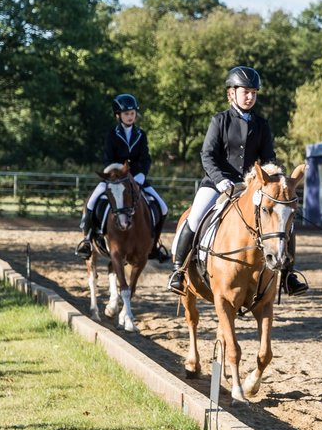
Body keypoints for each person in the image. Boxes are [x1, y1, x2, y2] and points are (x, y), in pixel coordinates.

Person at [167, 66, 309, 295]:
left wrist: (274, 178)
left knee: (283, 222)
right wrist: (220, 179)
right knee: (194, 218)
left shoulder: (262, 124)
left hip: (251, 187)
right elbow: (207, 155)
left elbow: (268, 158)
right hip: (217, 184)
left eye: (254, 92)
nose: (250, 96)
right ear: (232, 93)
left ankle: (288, 275)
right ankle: (178, 271)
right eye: (246, 92)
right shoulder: (219, 120)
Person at [75, 93, 169, 260]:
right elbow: (107, 158)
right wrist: (115, 173)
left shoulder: (141, 135)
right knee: (92, 202)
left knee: (162, 207)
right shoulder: (112, 134)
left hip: (137, 178)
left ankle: (154, 246)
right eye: (126, 114)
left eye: (132, 113)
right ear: (118, 115)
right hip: (115, 179)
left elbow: (145, 158)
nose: (130, 116)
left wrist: (141, 175)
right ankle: (88, 240)